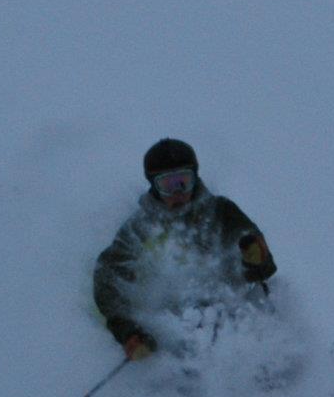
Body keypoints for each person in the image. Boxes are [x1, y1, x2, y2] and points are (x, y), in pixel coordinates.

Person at [93, 138, 276, 363]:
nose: (178, 192)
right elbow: (108, 278)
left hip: (231, 316)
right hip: (176, 329)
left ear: (195, 178)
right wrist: (127, 331)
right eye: (168, 185)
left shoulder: (220, 212)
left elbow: (262, 268)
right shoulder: (140, 229)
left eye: (184, 181)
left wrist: (255, 258)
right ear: (154, 187)